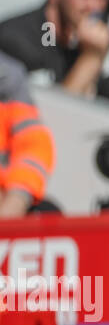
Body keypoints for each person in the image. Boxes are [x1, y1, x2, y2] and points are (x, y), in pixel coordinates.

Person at [0, 0, 109, 94]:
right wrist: (91, 58)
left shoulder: (85, 39)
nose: (93, 6)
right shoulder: (16, 42)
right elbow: (52, 113)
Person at [0, 51, 55, 218]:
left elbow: (34, 146)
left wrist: (17, 197)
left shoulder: (7, 76)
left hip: (8, 203)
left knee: (50, 214)